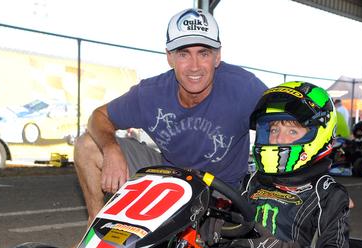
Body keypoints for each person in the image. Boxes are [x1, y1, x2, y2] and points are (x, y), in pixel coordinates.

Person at [101, 81, 352, 248]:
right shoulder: (252, 180)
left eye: (291, 130)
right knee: (167, 244)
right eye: (273, 129)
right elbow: (231, 218)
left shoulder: (328, 193)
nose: (278, 138)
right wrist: (213, 224)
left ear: (319, 134)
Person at [73, 8, 267, 222]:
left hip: (221, 192)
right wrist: (111, 149)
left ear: (217, 56)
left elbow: (284, 122)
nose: (194, 66)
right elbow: (98, 116)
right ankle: (95, 226)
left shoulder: (244, 88)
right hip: (169, 180)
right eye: (184, 54)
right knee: (87, 145)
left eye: (203, 53)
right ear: (170, 57)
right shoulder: (150, 92)